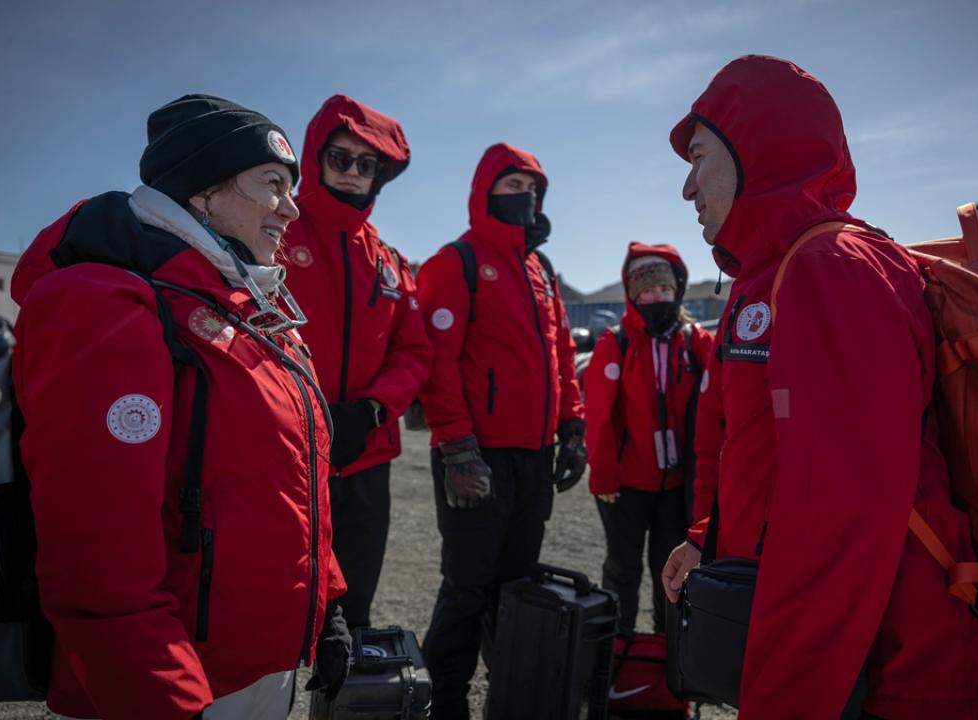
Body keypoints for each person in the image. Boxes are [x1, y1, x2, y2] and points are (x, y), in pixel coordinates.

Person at [659, 56, 978, 719]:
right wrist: (709, 535)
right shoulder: (773, 275)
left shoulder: (830, 268)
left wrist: (785, 701)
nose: (686, 186)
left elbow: (843, 514)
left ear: (756, 148)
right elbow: (763, 451)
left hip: (900, 671)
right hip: (852, 664)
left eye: (698, 157)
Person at [9, 95, 350, 720]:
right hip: (183, 679)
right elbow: (96, 554)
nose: (292, 207)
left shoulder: (252, 312)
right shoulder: (106, 303)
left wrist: (326, 604)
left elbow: (289, 482)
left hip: (263, 664)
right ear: (204, 190)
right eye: (272, 184)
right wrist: (162, 697)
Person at [415, 142, 586, 719]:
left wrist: (572, 429)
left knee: (516, 588)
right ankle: (446, 706)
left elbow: (562, 355)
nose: (526, 196)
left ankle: (511, 702)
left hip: (533, 457)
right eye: (513, 186)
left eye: (533, 189)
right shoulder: (456, 262)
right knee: (468, 589)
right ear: (485, 191)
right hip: (477, 454)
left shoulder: (542, 271)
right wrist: (458, 448)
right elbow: (437, 364)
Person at [282, 94, 431, 630]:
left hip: (367, 459)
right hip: (287, 458)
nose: (352, 172)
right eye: (340, 158)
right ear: (315, 157)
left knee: (353, 614)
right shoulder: (273, 235)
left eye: (367, 164)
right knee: (274, 611)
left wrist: (373, 410)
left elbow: (413, 351)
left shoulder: (389, 262)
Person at [583, 242, 714, 635]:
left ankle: (667, 652)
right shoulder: (616, 343)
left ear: (677, 290)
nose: (658, 298)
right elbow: (599, 417)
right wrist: (603, 476)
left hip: (675, 487)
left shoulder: (694, 341)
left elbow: (728, 383)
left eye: (664, 289)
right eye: (648, 291)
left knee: (670, 571)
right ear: (633, 295)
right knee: (622, 568)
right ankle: (616, 651)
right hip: (625, 487)